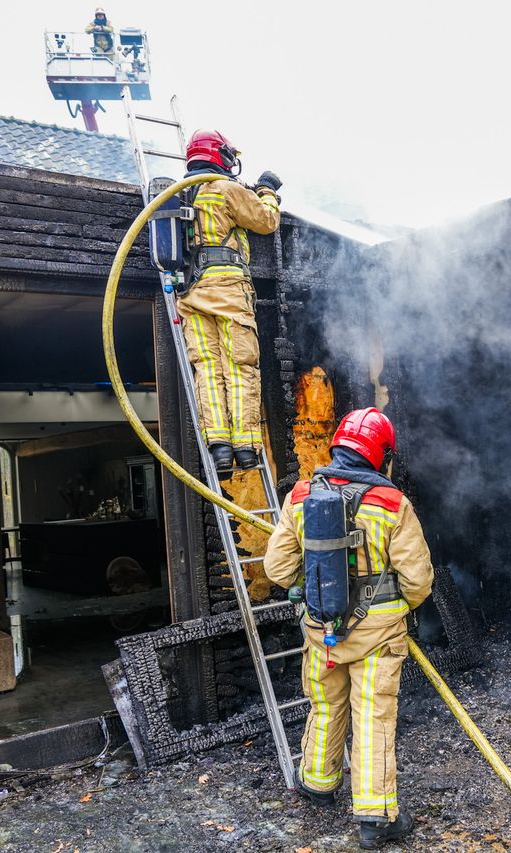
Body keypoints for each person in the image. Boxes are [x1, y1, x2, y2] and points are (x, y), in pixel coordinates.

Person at [264, 408, 433, 850]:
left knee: (325, 704)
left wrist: (313, 589)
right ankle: (376, 817)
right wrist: (394, 609)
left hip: (321, 629)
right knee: (373, 715)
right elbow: (418, 581)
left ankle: (317, 783)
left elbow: (277, 567)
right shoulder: (393, 504)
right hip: (378, 634)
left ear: (337, 446)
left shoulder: (301, 495)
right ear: (381, 455)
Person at [178, 129, 282, 478]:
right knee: (240, 366)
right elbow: (265, 221)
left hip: (191, 294)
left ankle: (219, 448)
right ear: (219, 155)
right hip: (227, 289)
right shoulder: (222, 188)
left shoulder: (179, 194)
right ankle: (246, 446)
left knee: (208, 369)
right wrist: (267, 190)